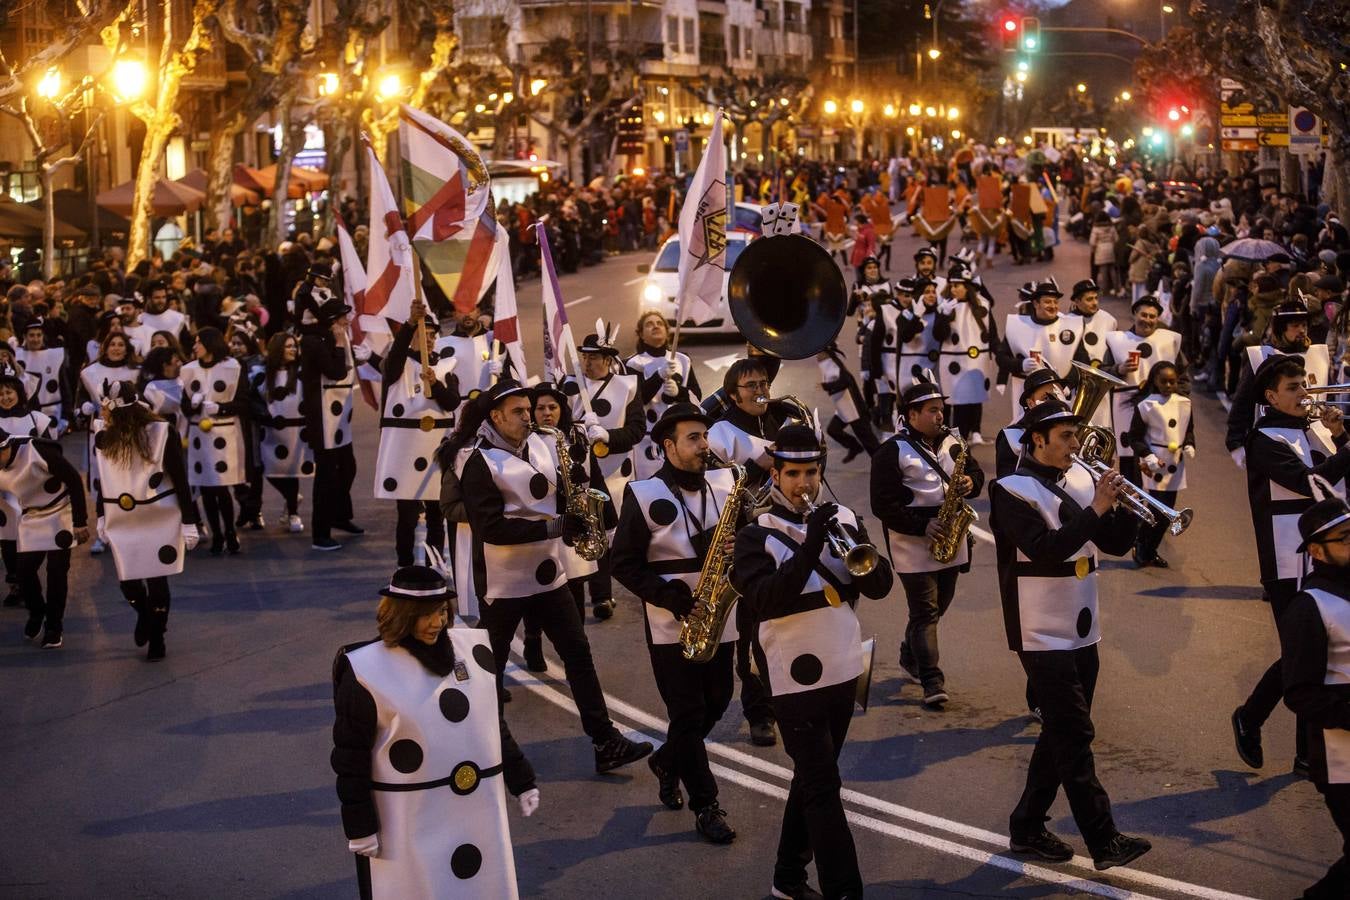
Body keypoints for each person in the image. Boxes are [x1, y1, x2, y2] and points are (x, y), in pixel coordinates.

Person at [457, 380, 653, 773]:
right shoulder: (476, 461)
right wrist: (555, 526)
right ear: (495, 417)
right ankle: (484, 747)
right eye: (519, 412)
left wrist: (580, 494)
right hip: (504, 583)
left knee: (579, 655)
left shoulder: (543, 445)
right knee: (488, 670)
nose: (529, 418)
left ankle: (604, 742)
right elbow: (490, 528)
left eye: (529, 411)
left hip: (550, 576)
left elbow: (555, 494)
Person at [989, 399, 1152, 871]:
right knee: (1075, 732)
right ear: (1037, 439)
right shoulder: (1010, 489)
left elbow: (1116, 543)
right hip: (1040, 627)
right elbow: (1045, 550)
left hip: (1083, 621)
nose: (1076, 445)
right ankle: (1104, 841)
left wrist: (1124, 502)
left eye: (1076, 436)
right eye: (1066, 437)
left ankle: (1027, 825)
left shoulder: (1081, 480)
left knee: (1061, 732)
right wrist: (1097, 506)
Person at [732, 425, 893, 900]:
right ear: (776, 475)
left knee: (812, 778)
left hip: (845, 664)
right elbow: (767, 600)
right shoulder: (754, 533)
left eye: (813, 472)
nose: (805, 483)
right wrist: (808, 545)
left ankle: (787, 876)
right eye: (794, 473)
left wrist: (851, 540)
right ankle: (845, 890)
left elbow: (879, 586)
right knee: (824, 786)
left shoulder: (840, 516)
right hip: (792, 675)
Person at [331, 564, 539, 899]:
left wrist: (521, 779)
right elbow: (350, 756)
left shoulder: (471, 652)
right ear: (401, 615)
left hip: (473, 814)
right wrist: (360, 825)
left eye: (442, 611)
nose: (438, 623)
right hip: (408, 822)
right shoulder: (365, 671)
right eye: (426, 615)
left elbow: (489, 724)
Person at [611, 403, 741, 845]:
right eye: (693, 438)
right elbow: (623, 564)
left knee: (719, 700)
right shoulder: (643, 494)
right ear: (668, 446)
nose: (705, 445)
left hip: (719, 615)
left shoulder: (725, 485)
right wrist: (669, 597)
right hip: (671, 624)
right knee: (687, 713)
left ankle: (668, 761)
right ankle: (707, 805)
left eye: (705, 437)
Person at [1232, 354, 1350, 777]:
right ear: (1270, 396)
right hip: (1288, 558)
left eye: (1304, 384)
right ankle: (1252, 716)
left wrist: (1341, 434)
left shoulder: (1312, 428)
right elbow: (1312, 483)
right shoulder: (1263, 440)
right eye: (1294, 388)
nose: (1305, 394)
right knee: (1302, 653)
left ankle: (1302, 751)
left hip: (1329, 554)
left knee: (1320, 651)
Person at [871, 378, 984, 707]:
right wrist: (922, 525)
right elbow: (883, 505)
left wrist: (969, 482)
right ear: (913, 413)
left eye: (941, 410)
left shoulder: (953, 442)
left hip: (952, 533)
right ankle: (932, 680)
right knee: (925, 610)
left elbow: (977, 475)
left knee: (940, 606)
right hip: (912, 541)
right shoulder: (891, 451)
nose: (940, 416)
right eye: (933, 410)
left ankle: (910, 653)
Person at [706, 356, 796, 746]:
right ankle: (759, 712)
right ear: (732, 394)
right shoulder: (721, 432)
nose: (761, 391)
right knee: (749, 636)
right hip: (745, 541)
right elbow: (716, 489)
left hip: (787, 534)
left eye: (764, 383)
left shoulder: (784, 421)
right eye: (751, 386)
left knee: (787, 626)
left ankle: (785, 701)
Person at [93, 381, 200, 660]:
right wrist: (101, 514)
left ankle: (157, 635)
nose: (102, 414)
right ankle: (144, 614)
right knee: (127, 580)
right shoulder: (104, 435)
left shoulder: (161, 432)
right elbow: (104, 479)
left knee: (156, 578)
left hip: (159, 513)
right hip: (124, 515)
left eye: (106, 409)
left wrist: (189, 521)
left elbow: (179, 477)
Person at [1279, 497, 1350, 899]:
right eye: (1345, 539)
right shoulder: (1309, 608)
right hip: (1341, 758)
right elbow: (1299, 694)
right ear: (1317, 551)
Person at [564, 326, 645, 621]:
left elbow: (637, 430)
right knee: (576, 529)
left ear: (609, 359)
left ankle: (601, 595)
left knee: (603, 533)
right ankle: (574, 592)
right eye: (585, 357)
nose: (589, 363)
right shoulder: (568, 385)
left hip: (612, 473)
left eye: (596, 357)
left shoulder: (627, 387)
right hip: (575, 470)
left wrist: (607, 436)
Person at [374, 298, 459, 567]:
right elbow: (395, 357)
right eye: (424, 335)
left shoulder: (445, 368)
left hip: (435, 448)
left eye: (433, 335)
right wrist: (410, 324)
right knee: (408, 515)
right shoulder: (399, 367)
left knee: (437, 512)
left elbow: (452, 402)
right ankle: (405, 564)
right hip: (407, 449)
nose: (430, 340)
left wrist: (436, 383)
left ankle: (435, 564)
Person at [0, 426, 89, 648]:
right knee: (24, 571)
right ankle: (37, 612)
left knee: (57, 572)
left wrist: (80, 521)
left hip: (61, 511)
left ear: (5, 447)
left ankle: (54, 626)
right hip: (32, 516)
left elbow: (74, 480)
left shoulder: (36, 450)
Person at [296, 270, 362, 551]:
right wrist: (336, 342)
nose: (347, 322)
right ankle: (320, 533)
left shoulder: (340, 339)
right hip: (322, 418)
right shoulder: (314, 343)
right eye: (342, 318)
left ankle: (340, 515)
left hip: (340, 417)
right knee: (326, 475)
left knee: (347, 467)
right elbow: (335, 371)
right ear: (331, 322)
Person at [1226, 301, 1330, 464]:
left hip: (1312, 443)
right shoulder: (1261, 356)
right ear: (1281, 328)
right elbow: (1243, 402)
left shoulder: (1318, 356)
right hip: (1273, 442)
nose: (1302, 330)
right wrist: (1235, 442)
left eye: (1304, 325)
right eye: (1295, 326)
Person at [1102, 295, 1185, 488]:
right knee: (1130, 460)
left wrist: (1181, 400)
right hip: (1127, 408)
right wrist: (1118, 369)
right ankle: (1131, 511)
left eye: (1152, 316)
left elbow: (1183, 375)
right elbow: (1102, 372)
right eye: (1144, 314)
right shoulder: (1117, 341)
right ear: (1134, 314)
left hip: (1162, 409)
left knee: (1161, 457)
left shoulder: (1169, 340)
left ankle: (1159, 511)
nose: (1147, 319)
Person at [180, 326, 247, 556]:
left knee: (221, 487)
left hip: (224, 433)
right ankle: (217, 534)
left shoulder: (232, 368)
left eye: (198, 342)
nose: (195, 346)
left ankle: (229, 531)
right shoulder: (188, 371)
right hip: (199, 434)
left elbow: (244, 401)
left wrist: (222, 407)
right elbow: (184, 407)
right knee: (207, 488)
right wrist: (194, 404)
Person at [1125, 362, 1194, 567]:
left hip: (1175, 464)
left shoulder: (1185, 403)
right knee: (1157, 510)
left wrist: (1189, 444)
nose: (1168, 385)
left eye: (1172, 381)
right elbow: (1134, 437)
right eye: (1163, 381)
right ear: (1154, 381)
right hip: (1155, 463)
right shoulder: (1146, 405)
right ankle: (1141, 544)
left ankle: (1150, 549)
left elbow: (1188, 429)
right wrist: (1148, 456)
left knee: (1167, 511)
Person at [625, 311, 701, 480]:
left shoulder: (682, 360)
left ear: (667, 331)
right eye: (649, 324)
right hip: (648, 439)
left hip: (679, 435)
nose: (655, 326)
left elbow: (697, 396)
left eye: (659, 323)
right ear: (641, 335)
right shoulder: (634, 363)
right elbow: (637, 399)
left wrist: (678, 392)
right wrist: (658, 375)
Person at [996, 278, 1087, 419]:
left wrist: (1068, 385)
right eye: (1047, 302)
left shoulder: (1071, 326)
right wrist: (1020, 365)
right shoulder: (1017, 326)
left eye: (1055, 302)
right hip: (1026, 396)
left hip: (1061, 395)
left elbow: (1082, 361)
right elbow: (1001, 358)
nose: (1053, 306)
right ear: (1035, 303)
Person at [932, 266, 997, 443]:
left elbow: (992, 333)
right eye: (952, 285)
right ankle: (957, 436)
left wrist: (999, 357)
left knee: (974, 398)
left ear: (967, 287)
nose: (953, 289)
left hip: (976, 360)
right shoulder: (945, 306)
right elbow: (938, 335)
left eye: (958, 286)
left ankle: (974, 432)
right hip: (954, 361)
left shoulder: (981, 305)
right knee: (958, 400)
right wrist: (943, 315)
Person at [258, 332, 312, 532]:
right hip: (271, 432)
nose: (292, 350)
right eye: (288, 346)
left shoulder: (300, 371)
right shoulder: (263, 372)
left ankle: (292, 513)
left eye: (294, 346)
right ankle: (291, 499)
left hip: (295, 430)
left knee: (292, 472)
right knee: (269, 471)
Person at [1063, 279, 1117, 434]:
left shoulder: (1109, 320)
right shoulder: (1066, 322)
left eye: (1096, 298)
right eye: (1089, 299)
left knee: (1100, 428)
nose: (1094, 303)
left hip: (1101, 386)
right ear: (1077, 301)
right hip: (1075, 386)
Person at [815, 342, 879, 463]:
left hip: (854, 408)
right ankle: (855, 447)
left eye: (818, 353)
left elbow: (846, 381)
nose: (816, 356)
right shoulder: (827, 363)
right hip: (843, 407)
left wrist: (826, 386)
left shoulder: (832, 362)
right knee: (833, 430)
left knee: (870, 442)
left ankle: (883, 464)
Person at [995, 368, 1065, 477]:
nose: (1054, 402)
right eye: (1046, 398)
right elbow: (1006, 487)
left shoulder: (1072, 430)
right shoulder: (1011, 437)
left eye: (1058, 395)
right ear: (1031, 403)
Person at [16, 318, 68, 432]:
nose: (36, 339)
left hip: (51, 413)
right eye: (32, 335)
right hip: (25, 414)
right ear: (24, 336)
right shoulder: (16, 356)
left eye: (39, 335)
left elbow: (65, 388)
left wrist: (66, 416)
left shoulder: (55, 356)